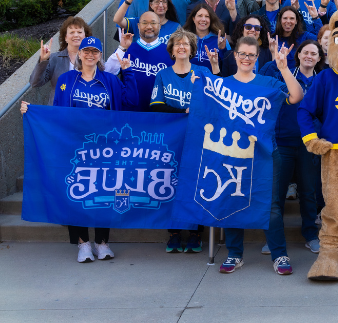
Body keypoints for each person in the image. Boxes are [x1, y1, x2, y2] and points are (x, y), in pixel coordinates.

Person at [21, 36, 137, 263]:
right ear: (80, 54)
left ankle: (102, 242)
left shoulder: (109, 80)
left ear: (100, 55)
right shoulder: (66, 80)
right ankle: (83, 244)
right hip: (74, 147)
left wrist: (129, 73)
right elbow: (56, 114)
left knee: (104, 193)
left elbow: (130, 104)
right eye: (86, 51)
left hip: (105, 148)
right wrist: (32, 111)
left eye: (95, 51)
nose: (90, 55)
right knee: (76, 193)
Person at [219, 36, 304, 274]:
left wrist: (284, 68)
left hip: (267, 154)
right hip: (234, 154)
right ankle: (235, 254)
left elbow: (297, 96)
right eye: (242, 54)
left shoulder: (268, 82)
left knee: (271, 206)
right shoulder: (223, 84)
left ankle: (279, 255)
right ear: (235, 55)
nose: (246, 58)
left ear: (257, 58)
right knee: (233, 202)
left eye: (251, 55)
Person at [150, 29, 217, 253]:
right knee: (171, 183)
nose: (181, 47)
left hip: (198, 138)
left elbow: (214, 102)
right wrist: (184, 110)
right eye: (177, 44)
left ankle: (196, 234)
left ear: (192, 49)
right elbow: (156, 106)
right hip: (172, 139)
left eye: (186, 44)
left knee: (195, 184)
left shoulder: (202, 71)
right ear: (171, 49)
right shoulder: (163, 74)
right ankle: (174, 233)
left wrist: (199, 95)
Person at [259, 40, 325, 257]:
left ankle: (311, 235)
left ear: (318, 57)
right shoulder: (282, 75)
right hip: (283, 142)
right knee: (277, 193)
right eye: (305, 52)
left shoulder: (322, 81)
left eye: (313, 53)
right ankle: (273, 239)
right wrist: (276, 58)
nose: (309, 56)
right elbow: (266, 80)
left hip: (309, 144)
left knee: (308, 192)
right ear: (298, 55)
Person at [105, 12, 173, 111]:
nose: (149, 26)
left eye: (153, 23)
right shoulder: (127, 48)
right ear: (138, 25)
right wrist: (122, 48)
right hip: (130, 111)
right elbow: (108, 71)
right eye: (144, 23)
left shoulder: (170, 52)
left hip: (158, 113)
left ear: (160, 26)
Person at [30, 16, 93, 105]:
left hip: (83, 112)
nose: (76, 35)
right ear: (65, 37)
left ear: (85, 36)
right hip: (58, 112)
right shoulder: (55, 58)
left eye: (79, 32)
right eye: (72, 32)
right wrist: (43, 60)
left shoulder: (93, 58)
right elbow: (35, 83)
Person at [113, 0, 180, 45]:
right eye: (157, 2)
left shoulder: (176, 27)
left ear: (168, 6)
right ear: (151, 5)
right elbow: (117, 20)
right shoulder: (139, 22)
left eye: (164, 2)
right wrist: (128, 1)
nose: (160, 5)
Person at [183, 3, 229, 70]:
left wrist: (223, 49)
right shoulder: (185, 39)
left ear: (211, 20)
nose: (203, 19)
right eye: (200, 16)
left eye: (207, 16)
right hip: (188, 79)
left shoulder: (220, 40)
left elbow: (228, 65)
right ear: (193, 19)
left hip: (213, 79)